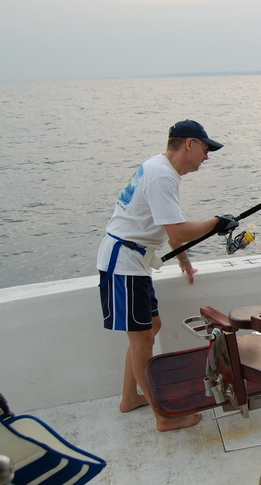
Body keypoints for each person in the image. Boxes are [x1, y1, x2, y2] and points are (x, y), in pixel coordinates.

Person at [96, 120, 238, 432]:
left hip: (134, 263)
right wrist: (216, 222)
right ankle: (163, 416)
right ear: (189, 144)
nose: (207, 156)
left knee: (150, 329)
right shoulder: (162, 176)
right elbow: (177, 229)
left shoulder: (160, 168)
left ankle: (129, 398)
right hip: (124, 265)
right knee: (142, 339)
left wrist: (184, 261)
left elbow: (170, 230)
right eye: (205, 148)